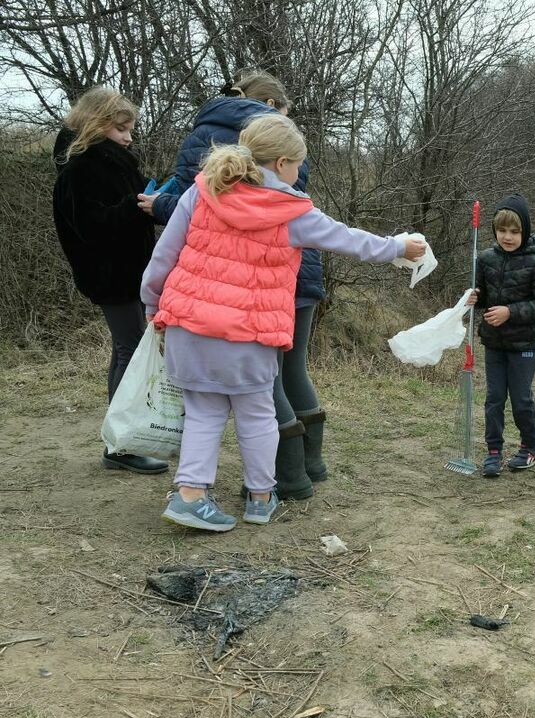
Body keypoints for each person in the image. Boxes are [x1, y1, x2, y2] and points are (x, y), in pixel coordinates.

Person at [140, 114, 427, 531]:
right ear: (280, 164)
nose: (298, 175)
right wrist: (400, 246)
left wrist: (153, 302)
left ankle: (191, 496)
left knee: (202, 412)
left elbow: (163, 256)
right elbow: (351, 240)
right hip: (249, 335)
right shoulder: (290, 210)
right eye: (297, 166)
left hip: (189, 325)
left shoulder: (202, 193)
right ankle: (260, 498)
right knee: (256, 414)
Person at [140, 70, 327, 501]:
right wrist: (397, 247)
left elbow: (193, 207)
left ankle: (276, 480)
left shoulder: (203, 137)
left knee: (222, 404)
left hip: (208, 296)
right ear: (272, 107)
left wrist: (154, 296)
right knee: (276, 382)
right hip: (283, 276)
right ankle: (291, 479)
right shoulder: (279, 140)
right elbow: (288, 208)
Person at [51, 86, 168, 475]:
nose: (129, 137)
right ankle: (119, 447)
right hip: (110, 273)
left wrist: (152, 202)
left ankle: (120, 442)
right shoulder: (80, 169)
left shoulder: (113, 161)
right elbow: (92, 228)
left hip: (129, 269)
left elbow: (121, 212)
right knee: (129, 350)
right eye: (122, 129)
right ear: (98, 125)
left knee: (127, 349)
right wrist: (136, 207)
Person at [467, 195, 535, 477]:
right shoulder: (485, 258)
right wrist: (474, 297)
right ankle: (493, 451)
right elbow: (482, 296)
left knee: (520, 398)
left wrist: (510, 312)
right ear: (495, 230)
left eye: (515, 232)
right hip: (494, 342)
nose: (508, 237)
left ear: (524, 231)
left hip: (524, 343)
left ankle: (531, 447)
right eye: (502, 231)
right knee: (494, 397)